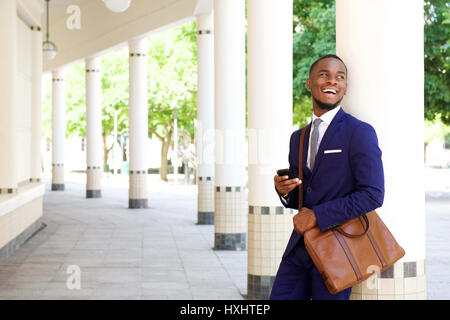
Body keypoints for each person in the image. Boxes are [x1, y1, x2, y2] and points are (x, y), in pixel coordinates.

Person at [269, 54, 385, 300]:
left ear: (345, 87)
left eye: (339, 77)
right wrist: (285, 191)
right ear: (310, 83)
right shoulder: (297, 138)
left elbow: (372, 194)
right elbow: (301, 195)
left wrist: (317, 216)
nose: (332, 81)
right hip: (299, 248)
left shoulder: (359, 132)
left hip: (338, 249)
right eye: (324, 75)